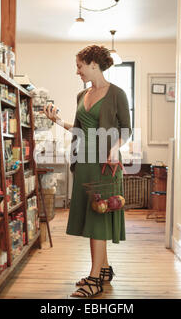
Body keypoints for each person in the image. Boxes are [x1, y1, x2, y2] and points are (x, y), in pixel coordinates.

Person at [43, 45, 132, 298]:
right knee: (93, 215)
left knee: (99, 219)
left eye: (80, 66)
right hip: (84, 162)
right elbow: (81, 130)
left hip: (106, 163)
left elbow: (126, 129)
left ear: (94, 64)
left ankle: (94, 280)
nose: (77, 71)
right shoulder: (82, 95)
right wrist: (57, 121)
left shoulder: (117, 94)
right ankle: (103, 270)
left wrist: (115, 148)